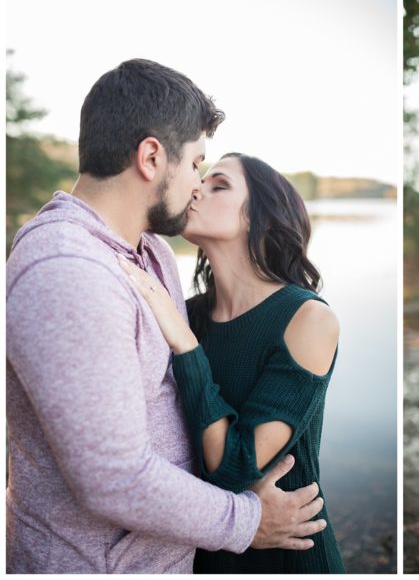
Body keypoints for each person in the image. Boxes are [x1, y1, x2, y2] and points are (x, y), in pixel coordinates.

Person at [6, 59, 327, 574]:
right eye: (197, 163)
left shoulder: (152, 253)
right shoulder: (66, 269)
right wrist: (247, 522)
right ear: (152, 157)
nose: (197, 183)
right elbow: (112, 477)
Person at [119, 152, 346, 573]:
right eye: (200, 177)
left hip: (287, 554)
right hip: (204, 547)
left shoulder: (309, 320)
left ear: (258, 217)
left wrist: (186, 345)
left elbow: (233, 466)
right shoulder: (185, 314)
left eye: (219, 184)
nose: (197, 188)